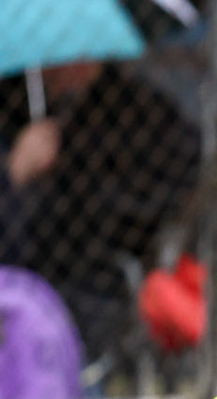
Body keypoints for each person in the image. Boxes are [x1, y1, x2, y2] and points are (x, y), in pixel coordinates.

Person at [0, 59, 199, 363]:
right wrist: (16, 172)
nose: (65, 69)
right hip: (17, 279)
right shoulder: (16, 109)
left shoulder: (137, 110)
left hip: (97, 284)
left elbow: (183, 172)